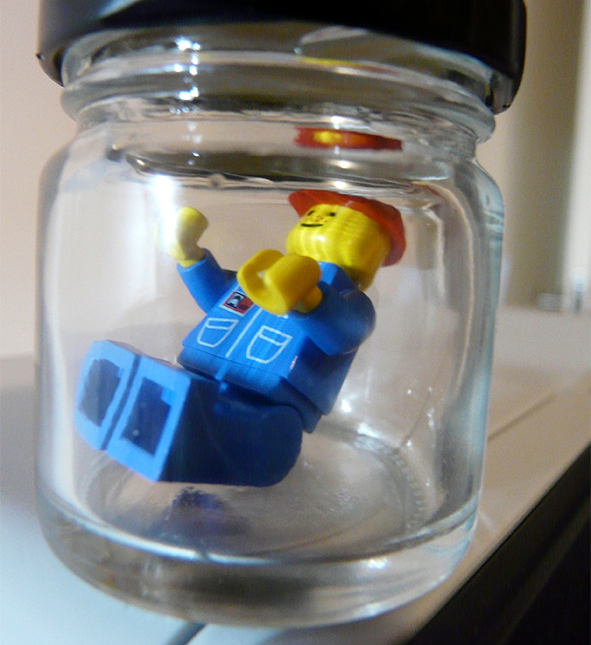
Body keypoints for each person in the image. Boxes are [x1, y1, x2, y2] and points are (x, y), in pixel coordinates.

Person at [75, 190, 405, 486]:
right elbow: (221, 298)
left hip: (272, 395)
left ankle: (199, 439)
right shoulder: (269, 272)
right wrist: (191, 258)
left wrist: (310, 300)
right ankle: (133, 411)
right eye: (314, 214)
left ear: (367, 242)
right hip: (207, 365)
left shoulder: (349, 299)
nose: (315, 221)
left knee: (223, 420)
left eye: (329, 215)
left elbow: (343, 334)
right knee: (182, 395)